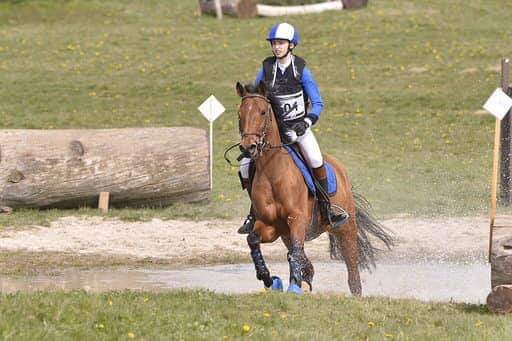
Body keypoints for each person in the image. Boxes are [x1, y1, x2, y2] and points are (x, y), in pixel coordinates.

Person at [238, 22, 348, 234]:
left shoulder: (302, 70)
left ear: (291, 45)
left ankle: (327, 209)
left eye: (281, 43)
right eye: (274, 43)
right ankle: (254, 212)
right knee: (244, 164)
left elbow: (317, 103)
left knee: (315, 159)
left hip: (299, 128)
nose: (276, 47)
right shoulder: (267, 68)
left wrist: (306, 123)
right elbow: (255, 94)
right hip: (274, 132)